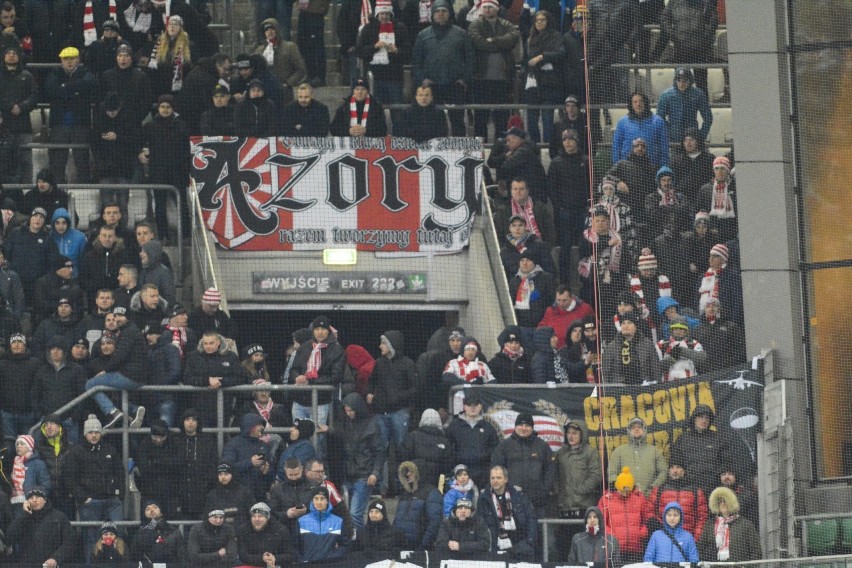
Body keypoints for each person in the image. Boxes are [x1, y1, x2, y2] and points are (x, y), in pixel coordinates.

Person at [65, 414, 125, 563]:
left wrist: (119, 494)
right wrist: (84, 498)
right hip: (90, 503)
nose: (94, 435)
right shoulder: (76, 452)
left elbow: (120, 472)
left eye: (97, 432)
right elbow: (69, 478)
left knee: (119, 536)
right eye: (90, 432)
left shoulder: (110, 449)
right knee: (91, 539)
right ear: (85, 433)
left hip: (112, 501)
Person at [411, 0, 473, 136]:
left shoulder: (461, 34)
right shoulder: (423, 35)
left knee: (457, 121)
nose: (440, 14)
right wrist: (423, 80)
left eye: (444, 11)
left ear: (449, 13)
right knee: (434, 121)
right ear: (432, 14)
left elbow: (470, 59)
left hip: (455, 86)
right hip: (432, 87)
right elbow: (416, 62)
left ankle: (459, 150)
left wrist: (464, 79)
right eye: (437, 11)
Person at [367, 329, 415, 492]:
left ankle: (402, 487)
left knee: (402, 450)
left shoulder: (407, 364)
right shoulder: (379, 363)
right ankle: (383, 488)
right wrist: (369, 393)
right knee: (380, 450)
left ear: (391, 345)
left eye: (383, 343)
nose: (380, 346)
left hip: (399, 413)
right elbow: (371, 381)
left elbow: (415, 389)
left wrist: (398, 398)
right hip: (381, 414)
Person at [139, 95, 191, 241]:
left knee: (182, 205)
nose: (165, 110)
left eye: (168, 107)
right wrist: (141, 153)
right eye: (163, 107)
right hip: (158, 171)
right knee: (160, 205)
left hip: (178, 171)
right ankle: (163, 236)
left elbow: (187, 149)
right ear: (158, 108)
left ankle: (186, 235)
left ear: (173, 108)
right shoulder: (150, 126)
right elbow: (139, 143)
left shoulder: (182, 125)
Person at [288, 315, 345, 446]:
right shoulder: (305, 347)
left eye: (323, 329)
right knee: (298, 436)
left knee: (317, 439)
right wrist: (297, 377)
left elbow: (336, 376)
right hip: (299, 401)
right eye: (317, 328)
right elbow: (293, 370)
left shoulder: (336, 350)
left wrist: (311, 382)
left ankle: (316, 464)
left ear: (328, 331)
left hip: (320, 401)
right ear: (313, 330)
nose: (320, 332)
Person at [467, 0, 519, 141]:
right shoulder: (475, 24)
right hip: (480, 79)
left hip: (502, 79)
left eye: (490, 7)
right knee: (481, 116)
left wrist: (493, 40)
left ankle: (500, 145)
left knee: (501, 116)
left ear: (496, 8)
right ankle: (480, 146)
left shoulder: (506, 24)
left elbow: (513, 38)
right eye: (485, 7)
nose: (488, 10)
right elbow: (479, 43)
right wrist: (501, 44)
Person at [44, 46, 97, 183]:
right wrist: (76, 91)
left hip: (80, 124)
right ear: (61, 60)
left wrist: (64, 88)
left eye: (72, 58)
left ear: (78, 59)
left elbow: (89, 84)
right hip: (59, 124)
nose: (69, 62)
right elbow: (51, 90)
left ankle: (84, 189)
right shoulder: (53, 73)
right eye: (66, 59)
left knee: (82, 160)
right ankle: (57, 190)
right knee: (58, 160)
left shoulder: (87, 73)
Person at [491, 412, 555, 518]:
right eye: (520, 425)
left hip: (537, 502)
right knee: (513, 532)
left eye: (527, 425)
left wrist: (544, 490)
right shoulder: (504, 446)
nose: (523, 428)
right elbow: (496, 469)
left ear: (532, 427)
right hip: (511, 500)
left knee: (537, 532)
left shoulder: (542, 446)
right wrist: (503, 491)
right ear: (515, 426)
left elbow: (550, 469)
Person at [334, 392, 383, 530]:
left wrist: (375, 473)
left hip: (364, 475)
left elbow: (379, 452)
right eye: (346, 410)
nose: (348, 413)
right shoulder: (345, 423)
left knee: (355, 513)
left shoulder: (372, 425)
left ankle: (358, 541)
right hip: (348, 474)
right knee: (350, 513)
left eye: (351, 410)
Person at [554, 418, 602, 556]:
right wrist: (558, 492)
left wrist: (580, 490)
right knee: (563, 547)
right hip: (564, 509)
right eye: (569, 433)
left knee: (584, 548)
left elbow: (596, 475)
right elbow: (555, 475)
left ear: (582, 435)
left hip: (584, 510)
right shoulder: (561, 453)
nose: (571, 436)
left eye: (575, 433)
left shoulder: (590, 452)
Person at [547, 129, 591, 273]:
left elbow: (592, 185)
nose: (567, 142)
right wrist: (559, 207)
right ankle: (564, 281)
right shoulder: (556, 163)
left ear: (576, 141)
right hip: (564, 212)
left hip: (582, 211)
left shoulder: (586, 161)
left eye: (570, 139)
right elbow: (552, 189)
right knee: (564, 247)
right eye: (565, 140)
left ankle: (586, 279)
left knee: (585, 245)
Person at [356, 0, 409, 114]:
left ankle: (397, 132)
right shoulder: (368, 29)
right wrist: (374, 47)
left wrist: (397, 51)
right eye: (382, 14)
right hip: (375, 78)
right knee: (375, 112)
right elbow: (360, 52)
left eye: (387, 14)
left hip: (394, 77)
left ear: (391, 14)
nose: (384, 17)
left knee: (397, 111)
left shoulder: (400, 28)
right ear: (377, 14)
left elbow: (408, 52)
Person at [184, 331, 246, 426]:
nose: (208, 346)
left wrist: (221, 382)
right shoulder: (193, 357)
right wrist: (207, 380)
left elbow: (240, 378)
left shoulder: (231, 356)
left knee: (221, 435)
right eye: (205, 343)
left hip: (224, 404)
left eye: (211, 343)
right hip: (199, 404)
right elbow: (187, 378)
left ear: (218, 342)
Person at [477, 465, 537, 560]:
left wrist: (528, 544)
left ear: (506, 479)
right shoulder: (483, 499)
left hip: (520, 549)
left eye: (498, 478)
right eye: (492, 478)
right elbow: (480, 525)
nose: (495, 480)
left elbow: (531, 519)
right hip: (495, 551)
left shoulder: (519, 496)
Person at [660, 0, 718, 97]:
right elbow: (664, 19)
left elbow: (714, 19)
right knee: (680, 83)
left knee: (702, 84)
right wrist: (673, 35)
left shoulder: (705, 2)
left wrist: (706, 36)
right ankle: (680, 109)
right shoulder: (674, 2)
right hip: (681, 49)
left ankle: (703, 109)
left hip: (700, 49)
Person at [6, 486, 75, 567]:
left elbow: (70, 541)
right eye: (31, 497)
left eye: (38, 497)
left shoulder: (59, 517)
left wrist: (56, 558)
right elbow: (8, 539)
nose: (34, 500)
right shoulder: (23, 518)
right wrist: (24, 515)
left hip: (50, 565)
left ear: (45, 500)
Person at [4, 207, 57, 307]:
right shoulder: (16, 233)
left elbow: (51, 260)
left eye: (41, 217)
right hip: (17, 281)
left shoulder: (47, 238)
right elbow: (6, 253)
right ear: (30, 218)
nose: (38, 219)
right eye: (35, 216)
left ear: (44, 221)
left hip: (36, 283)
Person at [522, 10, 562, 144]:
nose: (539, 22)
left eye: (542, 20)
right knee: (531, 119)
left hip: (549, 83)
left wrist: (541, 57)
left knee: (547, 119)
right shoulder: (530, 39)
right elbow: (526, 60)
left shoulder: (556, 36)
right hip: (533, 83)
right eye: (537, 20)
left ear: (548, 21)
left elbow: (559, 54)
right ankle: (534, 148)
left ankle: (548, 147)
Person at [598, 467, 652, 564]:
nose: (624, 494)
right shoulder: (606, 500)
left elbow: (647, 518)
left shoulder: (639, 499)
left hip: (636, 548)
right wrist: (612, 537)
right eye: (621, 490)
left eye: (627, 491)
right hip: (614, 549)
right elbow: (601, 522)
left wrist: (641, 532)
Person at [0, 45, 36, 185]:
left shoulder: (27, 76)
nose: (11, 55)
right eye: (8, 53)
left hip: (23, 126)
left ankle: (26, 187)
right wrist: (10, 106)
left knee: (26, 159)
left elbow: (34, 97)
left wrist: (21, 107)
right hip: (3, 127)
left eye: (14, 53)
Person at [607, 417, 667, 495]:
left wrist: (653, 487)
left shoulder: (654, 451)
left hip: (649, 499)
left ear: (644, 430)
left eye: (639, 427)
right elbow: (611, 473)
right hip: (626, 498)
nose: (636, 429)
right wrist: (621, 487)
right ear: (629, 431)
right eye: (633, 427)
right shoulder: (619, 451)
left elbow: (663, 471)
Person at [222, 413, 274, 502]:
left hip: (259, 496)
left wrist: (266, 470)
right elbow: (227, 468)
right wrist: (250, 463)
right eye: (259, 424)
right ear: (250, 426)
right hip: (237, 495)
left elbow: (271, 471)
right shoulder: (233, 445)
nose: (262, 427)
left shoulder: (264, 446)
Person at [601, 311, 661, 385]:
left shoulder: (648, 344)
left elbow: (656, 370)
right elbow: (605, 373)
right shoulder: (611, 347)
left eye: (629, 323)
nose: (625, 326)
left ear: (636, 326)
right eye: (623, 323)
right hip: (619, 390)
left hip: (644, 388)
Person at [612, 92, 669, 170]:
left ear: (646, 103)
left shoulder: (658, 121)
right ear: (631, 105)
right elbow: (616, 146)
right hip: (627, 167)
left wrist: (663, 168)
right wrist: (617, 166)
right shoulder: (622, 122)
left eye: (641, 101)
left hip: (652, 167)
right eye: (635, 102)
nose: (638, 104)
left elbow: (664, 147)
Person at [100, 43, 154, 125]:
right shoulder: (107, 75)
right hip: (111, 120)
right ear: (116, 58)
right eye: (120, 56)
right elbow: (101, 97)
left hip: (133, 122)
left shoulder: (140, 76)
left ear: (131, 58)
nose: (123, 59)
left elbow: (147, 100)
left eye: (126, 56)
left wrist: (138, 117)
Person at [657, 67, 713, 145]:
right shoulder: (666, 95)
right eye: (679, 80)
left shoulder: (698, 94)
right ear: (675, 81)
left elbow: (708, 117)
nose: (681, 84)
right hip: (674, 139)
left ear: (690, 81)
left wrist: (701, 136)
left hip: (692, 137)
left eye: (685, 81)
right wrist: (668, 132)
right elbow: (659, 117)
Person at [400, 408, 454, 489]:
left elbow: (403, 458)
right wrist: (441, 488)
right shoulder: (444, 441)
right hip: (436, 485)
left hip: (414, 484)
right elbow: (448, 466)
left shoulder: (412, 437)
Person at [488, 131, 548, 202]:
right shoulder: (527, 149)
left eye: (509, 140)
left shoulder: (522, 152)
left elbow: (505, 167)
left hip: (529, 197)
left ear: (517, 139)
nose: (507, 144)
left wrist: (501, 179)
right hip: (532, 195)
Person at [395, 460, 443, 549]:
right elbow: (396, 521)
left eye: (411, 471)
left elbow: (434, 522)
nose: (408, 474)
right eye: (406, 471)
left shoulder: (432, 492)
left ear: (419, 472)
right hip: (400, 547)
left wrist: (423, 546)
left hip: (419, 549)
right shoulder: (404, 494)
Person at [256, 18, 306, 102]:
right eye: (266, 30)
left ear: (277, 30)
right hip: (265, 92)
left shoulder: (290, 47)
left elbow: (301, 69)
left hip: (284, 92)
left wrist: (288, 83)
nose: (270, 31)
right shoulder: (260, 50)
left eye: (272, 28)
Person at [81, 225, 130, 309]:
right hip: (94, 297)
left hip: (116, 297)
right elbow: (83, 279)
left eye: (110, 236)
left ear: (115, 238)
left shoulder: (123, 256)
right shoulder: (89, 256)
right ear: (99, 237)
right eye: (104, 236)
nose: (107, 239)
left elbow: (126, 278)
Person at [692, 297, 746, 372]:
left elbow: (741, 349)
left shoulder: (731, 326)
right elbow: (694, 353)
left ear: (719, 308)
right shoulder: (697, 331)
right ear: (704, 309)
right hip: (706, 373)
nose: (711, 309)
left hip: (729, 371)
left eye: (714, 306)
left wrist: (730, 364)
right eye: (708, 306)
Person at [298, 486, 349, 562]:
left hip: (330, 565)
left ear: (327, 501)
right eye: (316, 498)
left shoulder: (338, 521)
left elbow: (345, 545)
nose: (319, 502)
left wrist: (333, 558)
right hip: (308, 564)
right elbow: (295, 546)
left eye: (322, 498)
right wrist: (302, 560)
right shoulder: (301, 521)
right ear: (312, 501)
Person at [131, 500, 189, 565]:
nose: (152, 510)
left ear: (161, 513)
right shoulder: (139, 534)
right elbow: (135, 559)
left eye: (155, 507)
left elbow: (183, 558)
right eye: (147, 509)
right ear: (144, 514)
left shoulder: (174, 532)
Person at [237, 502, 295, 567]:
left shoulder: (280, 529)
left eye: (260, 516)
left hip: (276, 564)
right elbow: (243, 556)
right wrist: (262, 558)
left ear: (267, 518)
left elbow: (291, 555)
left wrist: (275, 558)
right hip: (251, 565)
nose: (257, 519)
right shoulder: (243, 530)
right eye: (254, 516)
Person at [509, 249, 556, 328]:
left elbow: (553, 299)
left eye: (528, 260)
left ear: (534, 263)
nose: (524, 263)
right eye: (522, 260)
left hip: (544, 324)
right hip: (523, 325)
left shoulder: (546, 278)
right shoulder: (514, 281)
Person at [697, 156, 738, 243]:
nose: (720, 172)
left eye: (723, 168)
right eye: (717, 168)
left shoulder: (736, 188)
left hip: (732, 234)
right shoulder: (705, 189)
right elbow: (699, 210)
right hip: (711, 235)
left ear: (728, 170)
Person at [671, 128, 715, 204]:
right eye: (685, 140)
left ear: (698, 141)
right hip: (682, 200)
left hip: (704, 199)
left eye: (691, 140)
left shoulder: (709, 159)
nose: (688, 143)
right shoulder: (676, 160)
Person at [204, 462, 255, 527]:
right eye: (220, 474)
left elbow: (253, 515)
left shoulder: (245, 493)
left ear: (233, 475)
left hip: (242, 532)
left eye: (226, 474)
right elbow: (208, 518)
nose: (223, 477)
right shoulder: (212, 496)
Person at [658, 316, 707, 381]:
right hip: (668, 384)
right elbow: (656, 366)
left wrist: (682, 351)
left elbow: (702, 358)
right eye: (676, 329)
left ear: (686, 331)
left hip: (690, 383)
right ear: (671, 330)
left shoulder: (693, 343)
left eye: (681, 329)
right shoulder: (662, 344)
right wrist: (672, 358)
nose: (679, 331)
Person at [296, 0, 330, 87]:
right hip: (304, 9)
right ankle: (310, 74)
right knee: (303, 43)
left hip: (316, 11)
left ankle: (319, 76)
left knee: (316, 45)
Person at [49, 208, 87, 278]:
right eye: (57, 223)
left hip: (74, 278)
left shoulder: (79, 237)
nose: (61, 226)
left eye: (64, 223)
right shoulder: (49, 237)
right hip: (55, 278)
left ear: (68, 223)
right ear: (53, 224)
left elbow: (83, 261)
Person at [139, 239, 176, 306]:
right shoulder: (144, 271)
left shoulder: (164, 273)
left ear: (152, 253)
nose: (140, 254)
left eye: (144, 251)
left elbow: (169, 298)